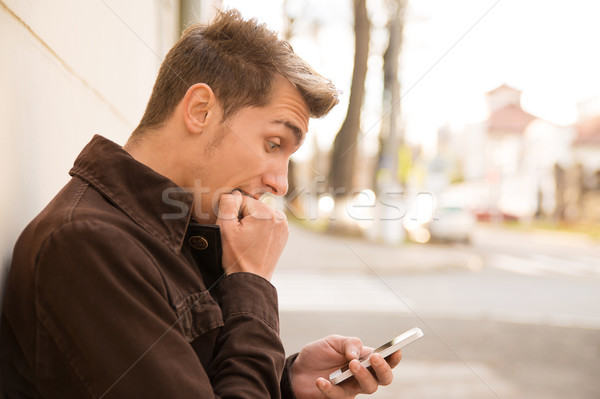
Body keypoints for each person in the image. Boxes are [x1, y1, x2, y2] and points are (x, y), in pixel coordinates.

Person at [0, 9, 401, 398]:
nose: (280, 184)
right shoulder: (88, 246)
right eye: (273, 143)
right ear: (200, 110)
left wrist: (286, 382)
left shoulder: (172, 232)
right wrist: (251, 282)